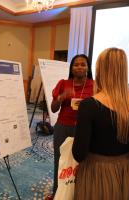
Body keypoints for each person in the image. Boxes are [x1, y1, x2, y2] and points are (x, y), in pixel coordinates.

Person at [72, 48, 129, 199]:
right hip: (126, 171)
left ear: (100, 71)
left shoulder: (89, 105)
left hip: (96, 173)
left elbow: (79, 154)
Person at [46, 54, 94, 200]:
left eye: (83, 64)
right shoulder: (63, 83)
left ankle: (80, 193)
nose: (79, 67)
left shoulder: (95, 85)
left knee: (84, 163)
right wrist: (61, 98)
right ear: (71, 68)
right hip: (63, 127)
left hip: (85, 129)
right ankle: (58, 194)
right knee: (61, 162)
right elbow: (53, 109)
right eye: (76, 64)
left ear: (88, 67)